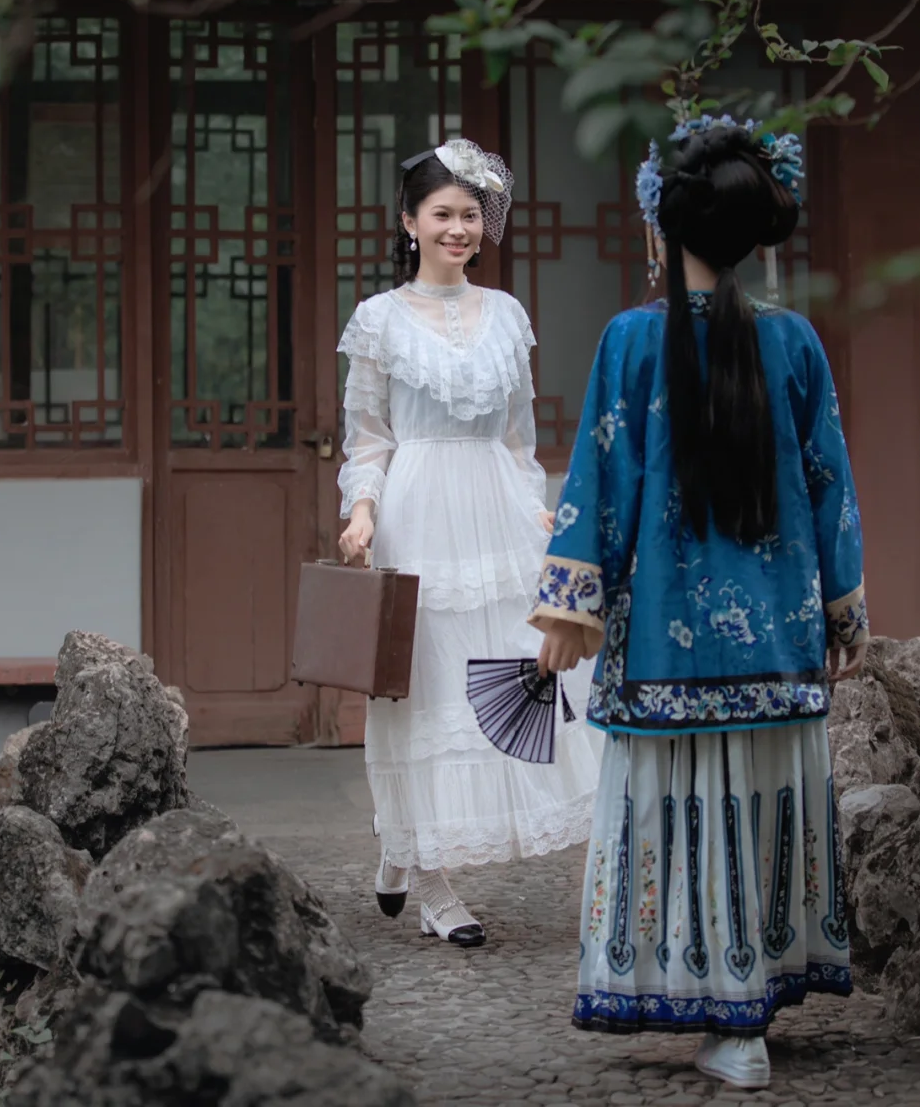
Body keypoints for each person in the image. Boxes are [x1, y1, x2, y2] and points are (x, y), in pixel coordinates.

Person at [530, 117, 868, 1089]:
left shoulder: (630, 343)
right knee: (760, 819)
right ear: (757, 236)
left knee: (688, 820)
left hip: (670, 660)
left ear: (657, 230)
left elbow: (600, 478)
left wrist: (569, 607)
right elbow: (829, 483)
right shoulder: (794, 343)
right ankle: (751, 1006)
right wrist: (843, 615)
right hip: (778, 642)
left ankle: (719, 1009)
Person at [338, 137, 602, 948]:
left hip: (498, 518)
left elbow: (521, 440)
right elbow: (367, 439)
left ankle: (402, 849)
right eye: (442, 215)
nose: (459, 229)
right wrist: (362, 510)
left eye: (470, 216)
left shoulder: (508, 315)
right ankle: (433, 882)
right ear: (409, 222)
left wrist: (540, 513)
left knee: (512, 686)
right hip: (417, 518)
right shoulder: (377, 321)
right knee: (427, 696)